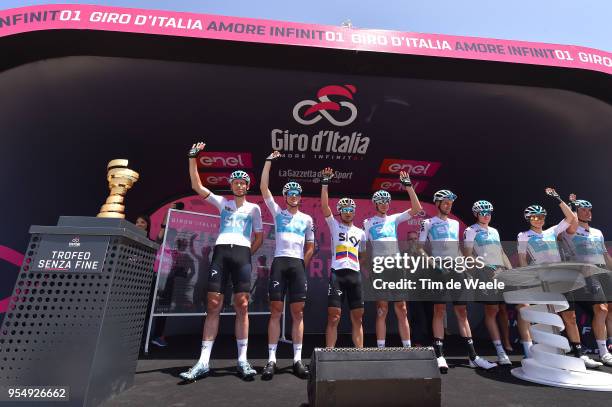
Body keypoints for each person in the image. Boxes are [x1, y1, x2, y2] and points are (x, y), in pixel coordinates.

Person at [180, 142, 264, 381]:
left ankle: (242, 360)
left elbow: (259, 236)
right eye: (235, 182)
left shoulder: (254, 209)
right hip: (221, 253)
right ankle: (203, 362)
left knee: (242, 305)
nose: (239, 185)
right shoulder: (222, 203)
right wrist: (192, 157)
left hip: (241, 255)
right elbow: (196, 185)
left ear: (248, 186)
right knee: (213, 303)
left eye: (243, 182)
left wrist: (248, 253)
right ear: (231, 185)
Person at [517, 187, 601, 368]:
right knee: (545, 317)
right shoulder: (523, 236)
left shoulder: (552, 231)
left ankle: (579, 354)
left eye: (540, 217)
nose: (538, 220)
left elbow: (572, 219)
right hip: (541, 281)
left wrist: (558, 199)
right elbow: (523, 260)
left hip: (561, 279)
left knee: (569, 316)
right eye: (534, 217)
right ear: (528, 219)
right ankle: (546, 354)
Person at [418, 189, 497, 373]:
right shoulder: (427, 223)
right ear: (437, 203)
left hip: (456, 269)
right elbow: (419, 248)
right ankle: (439, 355)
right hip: (438, 270)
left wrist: (471, 263)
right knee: (439, 310)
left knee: (462, 312)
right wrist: (432, 263)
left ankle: (473, 357)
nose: (448, 205)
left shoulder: (454, 223)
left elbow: (459, 250)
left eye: (450, 203)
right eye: (445, 202)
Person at [260, 151, 315, 379]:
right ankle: (271, 360)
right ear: (285, 196)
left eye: (297, 193)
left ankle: (297, 360)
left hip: (297, 265)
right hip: (280, 263)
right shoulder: (278, 212)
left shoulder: (307, 219)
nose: (294, 196)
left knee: (298, 313)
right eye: (290, 193)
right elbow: (264, 189)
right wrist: (268, 162)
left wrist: (302, 265)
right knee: (275, 311)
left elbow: (311, 246)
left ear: (300, 197)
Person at [363, 171, 422, 349]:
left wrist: (409, 186)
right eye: (380, 202)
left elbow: (417, 209)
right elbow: (364, 249)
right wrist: (367, 269)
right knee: (382, 309)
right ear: (375, 204)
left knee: (402, 308)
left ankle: (407, 348)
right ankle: (381, 349)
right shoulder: (368, 223)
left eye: (386, 201)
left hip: (396, 266)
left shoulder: (394, 219)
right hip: (380, 267)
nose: (384, 204)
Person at [561, 196, 612, 366]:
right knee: (592, 311)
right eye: (583, 209)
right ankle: (592, 352)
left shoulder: (597, 232)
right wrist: (570, 206)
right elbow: (567, 223)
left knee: (605, 310)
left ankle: (605, 349)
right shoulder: (570, 230)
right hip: (581, 274)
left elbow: (605, 255)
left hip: (599, 273)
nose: (588, 212)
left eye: (589, 209)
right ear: (576, 212)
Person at [320, 167, 367, 348]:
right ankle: (329, 354)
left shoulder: (360, 232)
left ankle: (360, 354)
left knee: (358, 317)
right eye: (345, 209)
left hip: (354, 276)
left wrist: (356, 264)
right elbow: (325, 207)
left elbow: (363, 254)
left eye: (351, 209)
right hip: (337, 275)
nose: (348, 212)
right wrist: (325, 183)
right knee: (334, 316)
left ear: (354, 212)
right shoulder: (334, 225)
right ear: (340, 211)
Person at [462, 200, 513, 365]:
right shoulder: (471, 230)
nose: (486, 216)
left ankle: (505, 345)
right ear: (476, 214)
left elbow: (501, 252)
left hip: (500, 271)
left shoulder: (495, 231)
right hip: (484, 271)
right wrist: (484, 266)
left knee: (503, 309)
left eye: (489, 213)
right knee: (492, 309)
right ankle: (500, 350)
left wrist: (512, 271)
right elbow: (468, 256)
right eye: (483, 213)